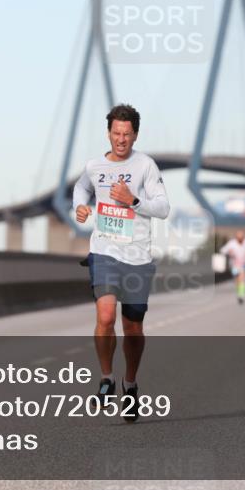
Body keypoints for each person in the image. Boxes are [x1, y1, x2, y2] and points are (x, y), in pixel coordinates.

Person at [73, 104, 170, 422]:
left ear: (135, 135)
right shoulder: (95, 166)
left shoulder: (146, 166)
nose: (121, 139)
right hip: (104, 251)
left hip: (137, 257)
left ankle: (130, 385)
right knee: (104, 315)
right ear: (109, 133)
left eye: (127, 134)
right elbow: (81, 188)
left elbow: (163, 208)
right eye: (116, 133)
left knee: (133, 328)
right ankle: (106, 378)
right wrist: (81, 208)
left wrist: (134, 200)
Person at [219, 231, 245, 304]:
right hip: (234, 265)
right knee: (237, 281)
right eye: (239, 237)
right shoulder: (231, 243)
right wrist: (229, 252)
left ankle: (241, 295)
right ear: (236, 237)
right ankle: (239, 293)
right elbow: (222, 250)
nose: (240, 239)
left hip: (244, 264)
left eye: (242, 237)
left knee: (242, 279)